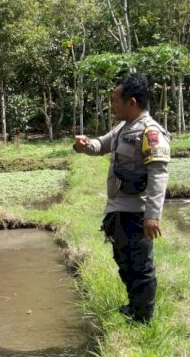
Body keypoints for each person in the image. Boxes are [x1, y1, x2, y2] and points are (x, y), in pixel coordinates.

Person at [73, 74, 171, 323]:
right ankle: (134, 306)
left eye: (116, 101)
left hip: (137, 212)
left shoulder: (151, 133)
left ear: (132, 102)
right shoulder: (122, 128)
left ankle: (143, 318)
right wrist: (85, 145)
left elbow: (158, 175)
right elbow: (101, 145)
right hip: (118, 208)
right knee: (123, 260)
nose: (112, 105)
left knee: (140, 266)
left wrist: (152, 216)